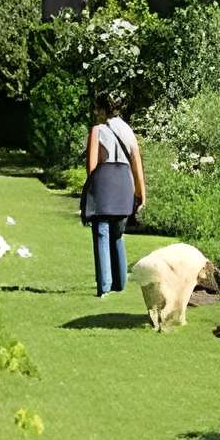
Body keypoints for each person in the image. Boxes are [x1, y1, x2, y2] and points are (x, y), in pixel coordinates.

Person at [79, 91, 146, 298]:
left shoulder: (97, 130)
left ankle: (104, 286)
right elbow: (137, 165)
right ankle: (120, 283)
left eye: (96, 108)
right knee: (117, 235)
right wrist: (141, 194)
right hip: (124, 185)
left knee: (101, 234)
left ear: (101, 109)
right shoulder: (128, 131)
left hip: (104, 185)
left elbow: (91, 167)